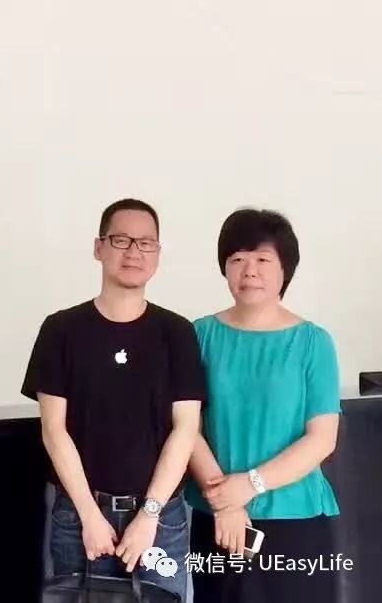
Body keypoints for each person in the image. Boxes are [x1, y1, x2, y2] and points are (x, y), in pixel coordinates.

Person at [21, 198, 207, 602]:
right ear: (99, 247)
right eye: (121, 240)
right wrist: (89, 515)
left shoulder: (177, 333)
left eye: (146, 243)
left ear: (157, 253)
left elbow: (185, 429)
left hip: (162, 520)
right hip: (79, 518)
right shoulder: (61, 330)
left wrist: (149, 514)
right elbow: (54, 431)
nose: (133, 252)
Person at [186, 207, 342, 603]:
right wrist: (226, 502)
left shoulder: (313, 342)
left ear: (285, 270)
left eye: (262, 260)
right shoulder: (199, 336)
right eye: (238, 259)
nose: (249, 271)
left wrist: (249, 485)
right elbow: (185, 427)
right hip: (219, 519)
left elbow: (322, 438)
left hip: (295, 518)